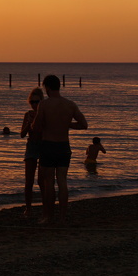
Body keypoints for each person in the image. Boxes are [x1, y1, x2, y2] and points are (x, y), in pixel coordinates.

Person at [32, 74, 87, 225]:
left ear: (47, 87)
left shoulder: (44, 104)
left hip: (48, 145)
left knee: (48, 182)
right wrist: (67, 125)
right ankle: (62, 217)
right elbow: (84, 124)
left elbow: (36, 127)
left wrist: (42, 125)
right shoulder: (70, 104)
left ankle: (48, 216)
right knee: (62, 181)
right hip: (64, 146)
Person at [18, 87, 45, 216]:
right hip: (32, 146)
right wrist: (28, 125)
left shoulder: (45, 114)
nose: (34, 104)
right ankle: (28, 208)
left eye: (37, 102)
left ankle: (46, 207)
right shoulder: (27, 115)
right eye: (32, 102)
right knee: (29, 181)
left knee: (42, 181)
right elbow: (22, 134)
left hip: (43, 146)